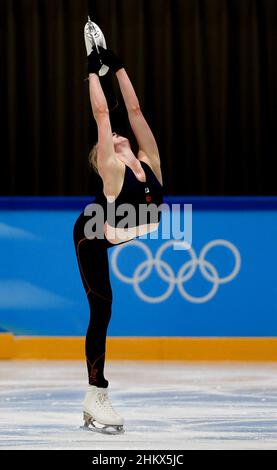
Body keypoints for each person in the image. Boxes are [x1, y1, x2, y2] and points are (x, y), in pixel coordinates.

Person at [73, 26, 163, 434]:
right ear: (104, 154)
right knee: (103, 307)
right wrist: (92, 69)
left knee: (106, 305)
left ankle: (95, 395)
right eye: (110, 140)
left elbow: (135, 111)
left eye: (117, 137)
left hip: (126, 229)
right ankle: (95, 394)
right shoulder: (111, 172)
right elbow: (102, 114)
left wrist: (118, 64)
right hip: (94, 231)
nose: (117, 136)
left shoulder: (151, 164)